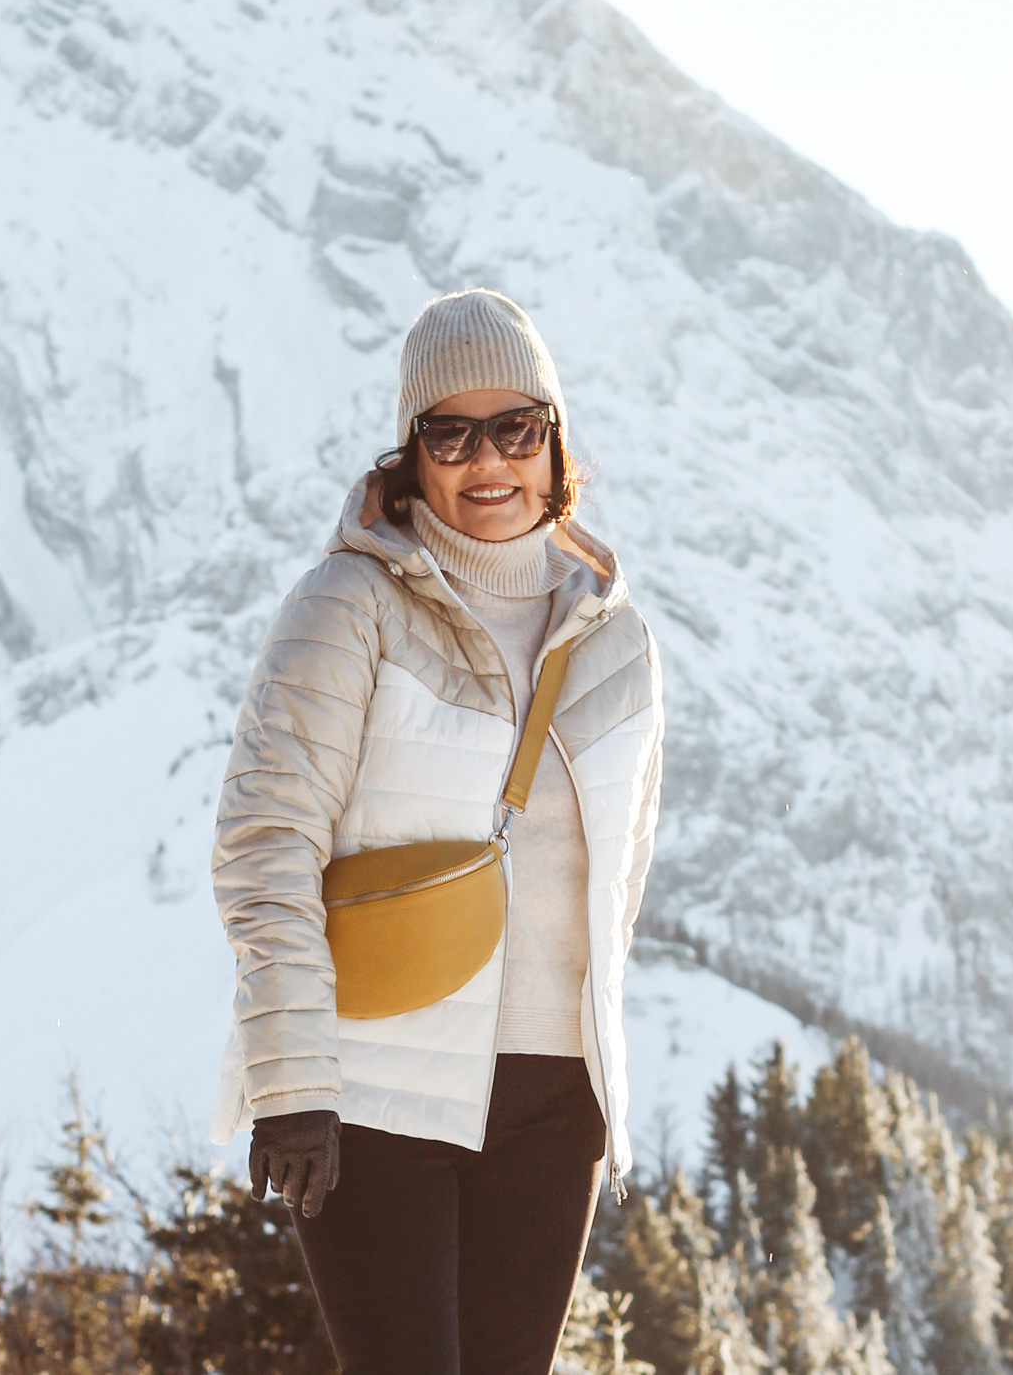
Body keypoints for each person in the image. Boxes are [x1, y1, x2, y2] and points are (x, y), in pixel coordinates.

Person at [209, 288, 665, 1374]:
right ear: (411, 454)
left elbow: (617, 886)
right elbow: (267, 843)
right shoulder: (348, 603)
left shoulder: (617, 642)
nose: (487, 459)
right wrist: (292, 1082)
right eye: (450, 433)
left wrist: (599, 1089)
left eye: (516, 428)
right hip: (373, 1097)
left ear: (556, 445)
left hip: (553, 1108)